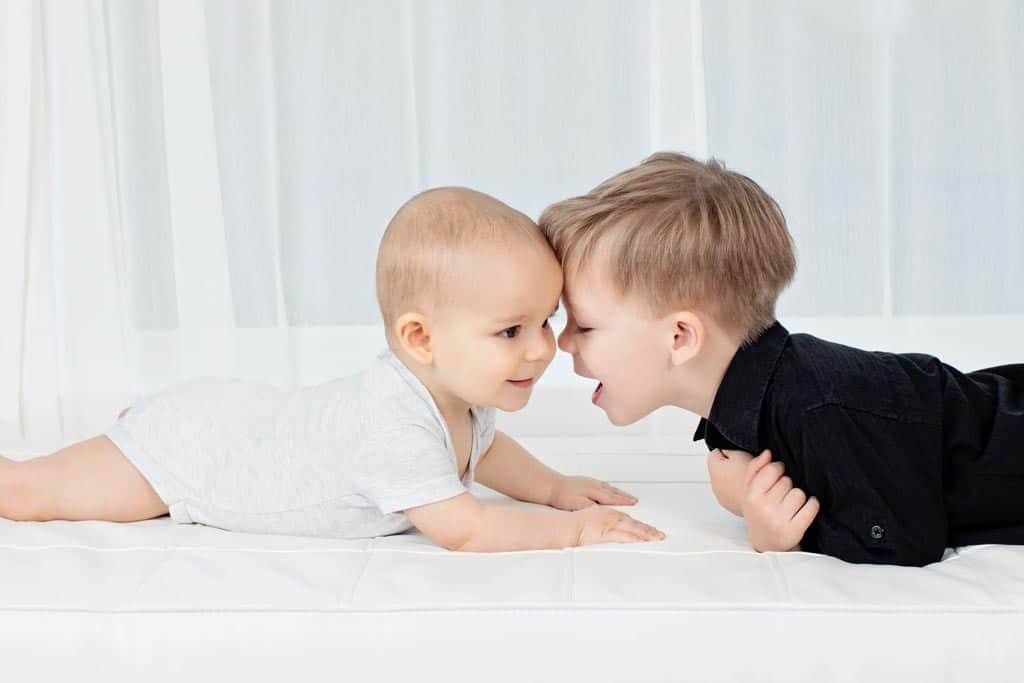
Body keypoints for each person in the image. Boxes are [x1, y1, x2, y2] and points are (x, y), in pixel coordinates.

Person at [0, 187, 665, 552]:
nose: (542, 348)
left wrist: (553, 487)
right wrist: (574, 529)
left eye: (545, 320)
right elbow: (468, 528)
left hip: (240, 418)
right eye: (511, 331)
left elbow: (487, 454)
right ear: (420, 337)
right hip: (192, 452)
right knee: (29, 493)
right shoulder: (391, 418)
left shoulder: (461, 393)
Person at [539, 151, 1024, 566]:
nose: (563, 343)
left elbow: (904, 538)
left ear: (681, 337)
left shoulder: (822, 407)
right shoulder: (755, 400)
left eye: (584, 326)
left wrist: (776, 534)